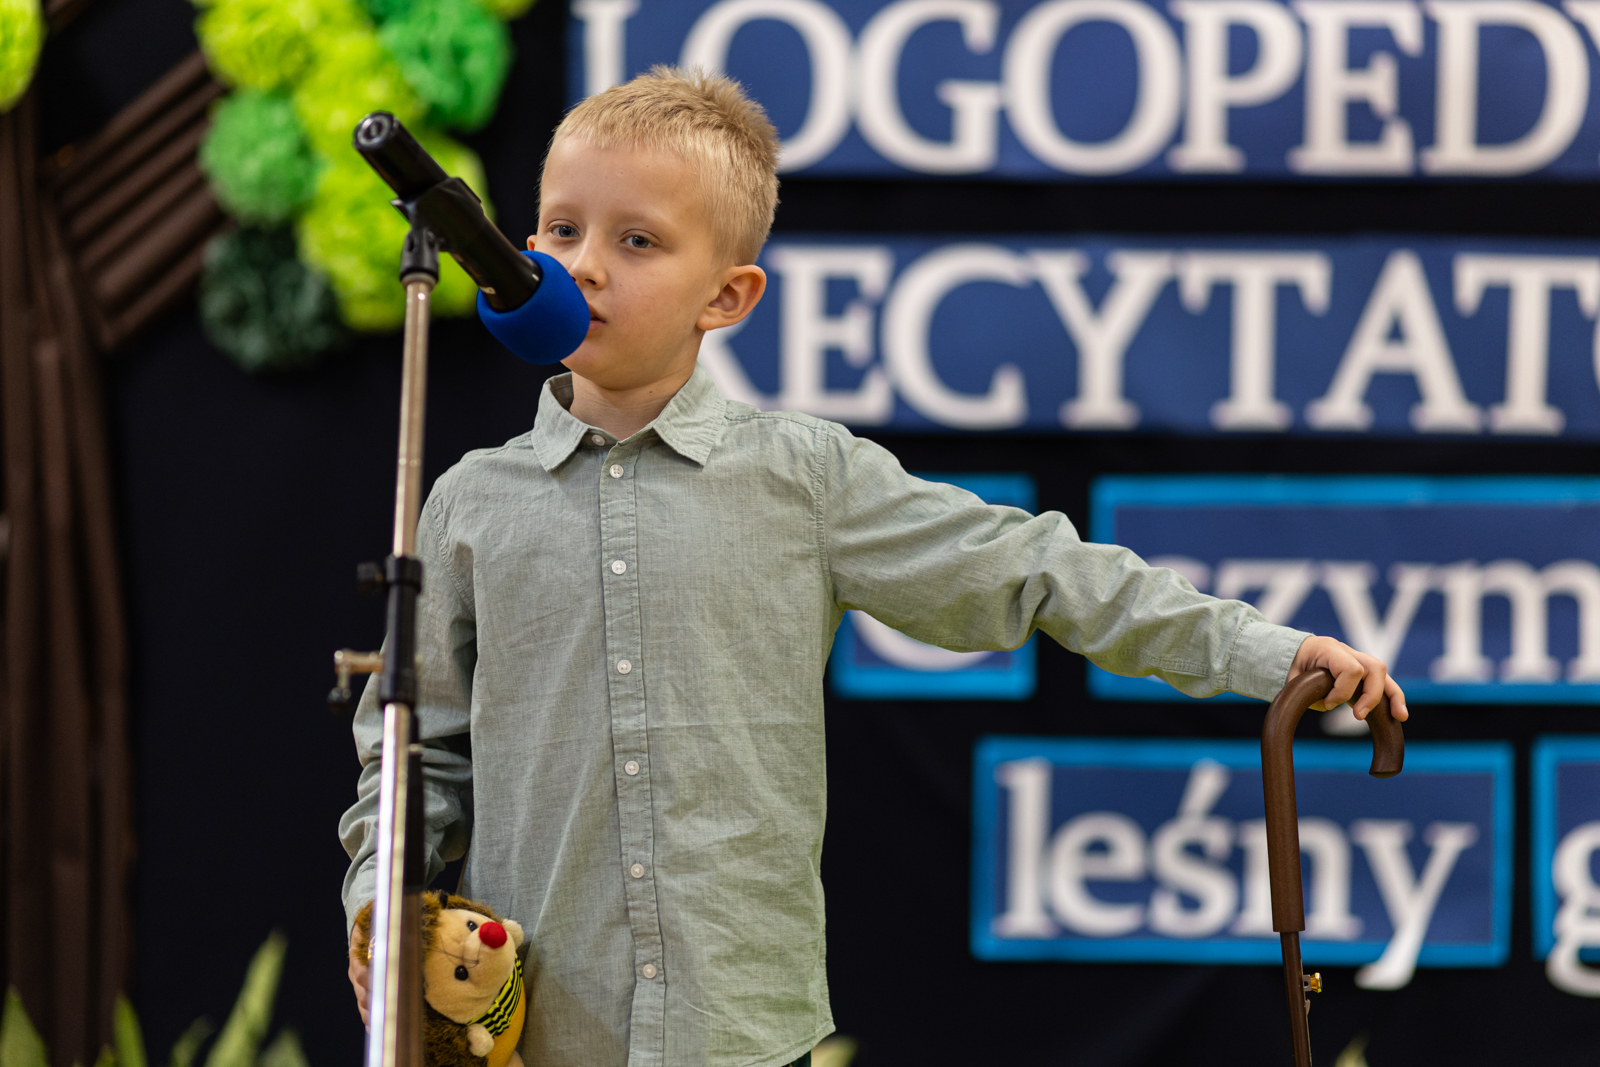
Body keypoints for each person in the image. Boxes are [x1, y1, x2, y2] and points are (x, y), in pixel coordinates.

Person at [340, 66, 1409, 1067]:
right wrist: (378, 903)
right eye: (563, 229)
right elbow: (413, 754)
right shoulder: (471, 501)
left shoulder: (804, 477)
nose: (584, 264)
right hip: (534, 1029)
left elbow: (1031, 565)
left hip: (740, 1029)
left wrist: (1267, 651)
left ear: (727, 296)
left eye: (638, 240)